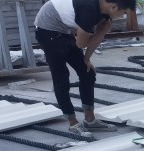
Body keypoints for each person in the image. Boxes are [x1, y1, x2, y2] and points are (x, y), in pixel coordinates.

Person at [34, 0, 136, 135]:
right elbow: (81, 44)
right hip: (47, 27)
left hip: (64, 28)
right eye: (124, 13)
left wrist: (87, 58)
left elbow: (94, 39)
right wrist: (103, 30)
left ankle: (90, 120)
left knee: (87, 73)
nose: (122, 16)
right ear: (113, 7)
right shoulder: (88, 10)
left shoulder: (105, 11)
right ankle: (73, 123)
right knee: (61, 77)